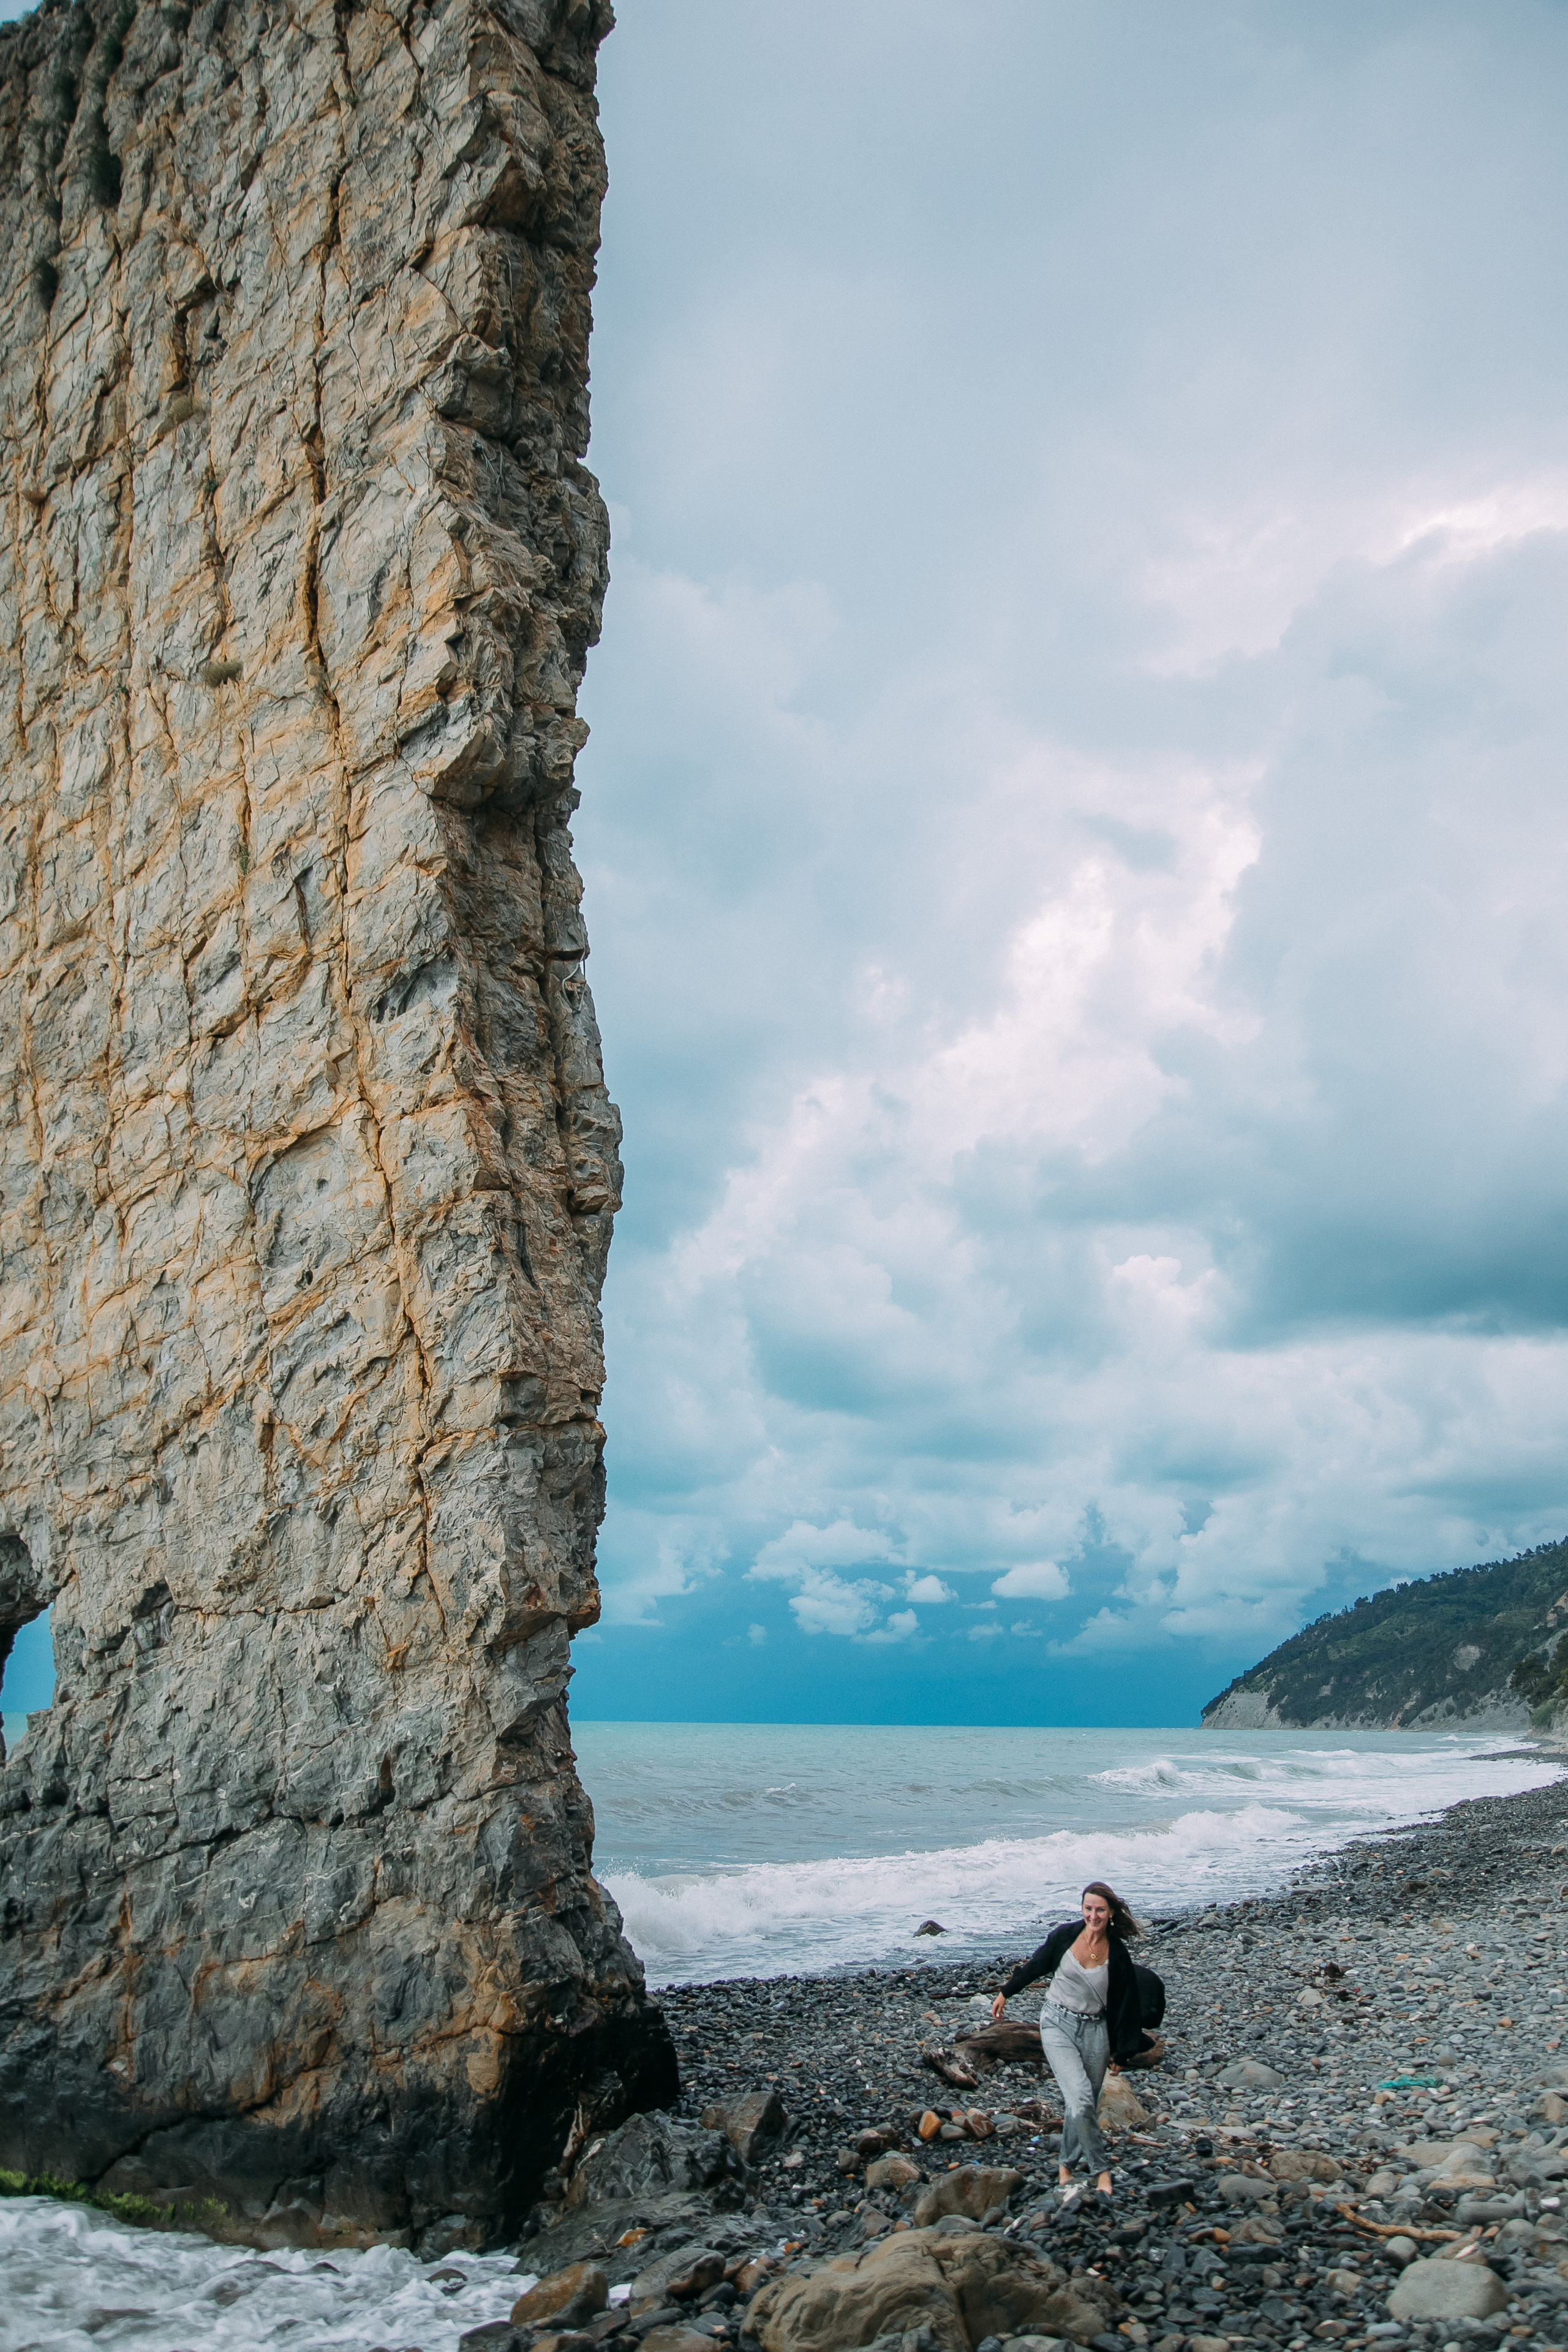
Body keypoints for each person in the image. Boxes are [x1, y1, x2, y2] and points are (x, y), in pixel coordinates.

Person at [989, 1879, 1147, 2207]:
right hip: (1057, 2023)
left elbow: (1125, 2004)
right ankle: (1102, 2170)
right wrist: (1006, 1992)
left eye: (1100, 1909)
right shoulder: (1065, 1936)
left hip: (1096, 2031)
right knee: (1079, 2096)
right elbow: (1036, 1965)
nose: (1093, 1915)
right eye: (1088, 1908)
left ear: (1111, 1913)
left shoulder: (1117, 1953)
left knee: (1082, 2103)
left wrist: (1122, 2050)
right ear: (1082, 1909)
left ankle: (1065, 2166)